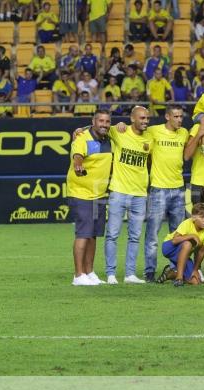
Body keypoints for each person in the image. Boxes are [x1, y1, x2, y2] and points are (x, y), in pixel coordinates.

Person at [104, 106, 151, 284]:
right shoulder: (119, 131)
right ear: (132, 118)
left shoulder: (150, 137)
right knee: (113, 234)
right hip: (119, 191)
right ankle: (110, 274)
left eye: (147, 118)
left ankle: (130, 274)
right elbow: (98, 127)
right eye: (142, 118)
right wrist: (80, 130)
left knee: (135, 236)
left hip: (140, 194)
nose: (145, 121)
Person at [142, 105, 189, 282]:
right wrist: (81, 129)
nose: (179, 119)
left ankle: (176, 270)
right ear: (167, 117)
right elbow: (131, 130)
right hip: (158, 189)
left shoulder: (184, 133)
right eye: (176, 116)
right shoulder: (153, 131)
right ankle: (149, 272)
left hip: (178, 189)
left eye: (181, 116)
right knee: (152, 235)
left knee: (177, 234)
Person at [67, 110, 113, 286]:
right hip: (81, 193)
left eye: (107, 121)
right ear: (93, 121)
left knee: (93, 234)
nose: (104, 124)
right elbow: (77, 156)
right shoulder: (82, 137)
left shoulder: (110, 138)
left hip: (99, 194)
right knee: (83, 233)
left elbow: (116, 128)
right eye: (100, 121)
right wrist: (78, 165)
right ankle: (78, 275)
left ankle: (89, 271)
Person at [157, 203, 204, 287]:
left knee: (195, 282)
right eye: (202, 217)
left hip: (184, 254)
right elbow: (174, 240)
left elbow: (201, 253)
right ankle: (179, 278)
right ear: (194, 218)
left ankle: (170, 274)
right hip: (169, 247)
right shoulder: (187, 223)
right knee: (187, 243)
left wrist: (195, 270)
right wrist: (192, 236)